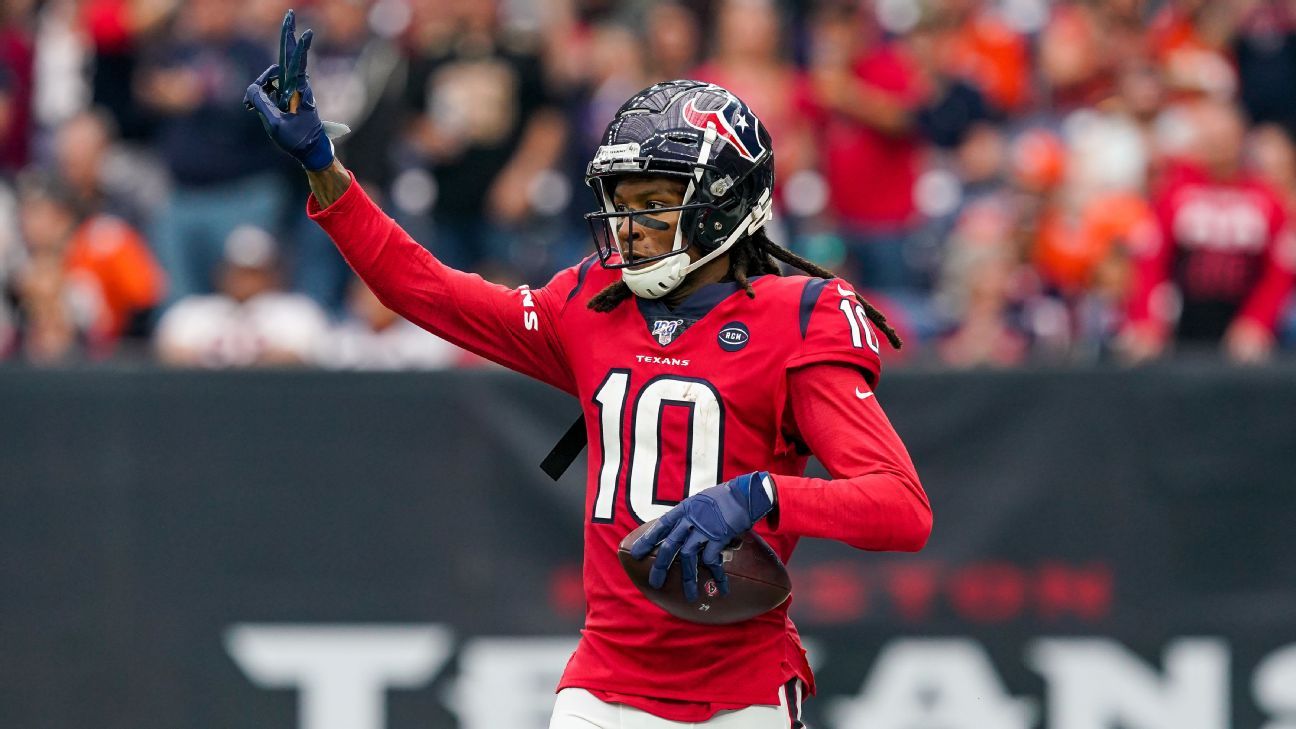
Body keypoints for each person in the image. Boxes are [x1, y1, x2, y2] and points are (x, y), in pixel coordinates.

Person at [247, 12, 932, 728]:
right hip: (605, 685)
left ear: (723, 203)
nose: (629, 228)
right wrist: (324, 166)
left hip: (741, 693)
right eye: (621, 204)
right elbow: (425, 290)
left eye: (654, 204)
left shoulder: (798, 318)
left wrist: (759, 494)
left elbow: (901, 508)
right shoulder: (593, 301)